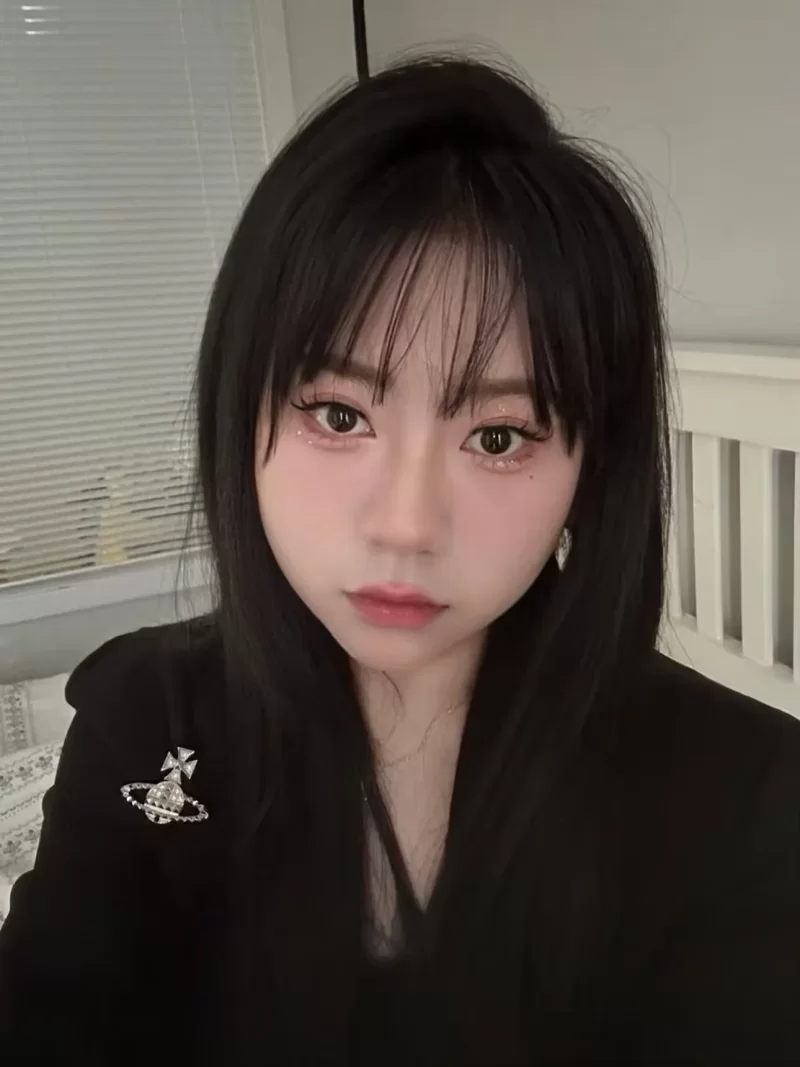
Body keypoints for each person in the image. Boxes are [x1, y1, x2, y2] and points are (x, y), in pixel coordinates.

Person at [1, 55, 798, 1066]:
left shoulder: (744, 799)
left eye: (498, 436)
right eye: (339, 414)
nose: (406, 523)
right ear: (241, 411)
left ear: (591, 468)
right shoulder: (143, 712)